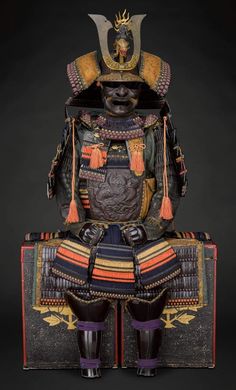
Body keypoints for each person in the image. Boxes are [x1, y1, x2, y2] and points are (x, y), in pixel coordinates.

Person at [47, 10, 187, 378]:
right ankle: (90, 366)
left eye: (131, 86)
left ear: (142, 90)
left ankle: (146, 365)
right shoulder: (82, 128)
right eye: (112, 85)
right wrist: (77, 227)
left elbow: (168, 182)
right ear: (100, 88)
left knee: (150, 295)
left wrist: (155, 226)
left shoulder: (154, 129)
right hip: (91, 230)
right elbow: (65, 180)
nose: (121, 92)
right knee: (86, 300)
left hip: (140, 232)